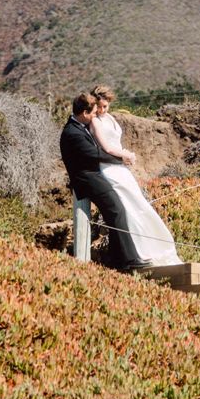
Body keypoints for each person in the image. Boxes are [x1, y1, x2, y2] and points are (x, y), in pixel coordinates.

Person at [88, 85, 183, 266]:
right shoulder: (95, 121)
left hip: (120, 167)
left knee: (139, 204)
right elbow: (106, 147)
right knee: (127, 207)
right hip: (108, 168)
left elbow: (115, 141)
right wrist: (126, 154)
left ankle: (155, 246)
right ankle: (137, 251)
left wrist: (123, 156)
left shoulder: (110, 118)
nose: (101, 110)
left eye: (105, 106)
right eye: (98, 107)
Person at [59, 93, 148, 270]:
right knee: (116, 211)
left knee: (116, 212)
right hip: (88, 178)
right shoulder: (72, 133)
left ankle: (117, 261)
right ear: (84, 113)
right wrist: (120, 159)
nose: (95, 116)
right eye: (92, 113)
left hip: (94, 175)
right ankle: (129, 260)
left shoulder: (78, 126)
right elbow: (95, 154)